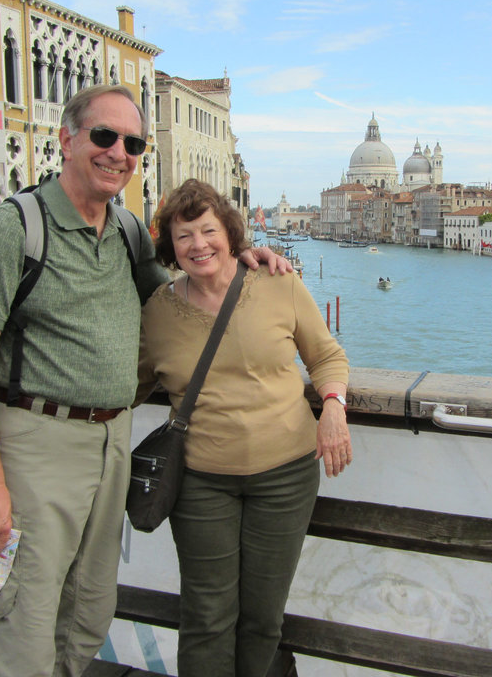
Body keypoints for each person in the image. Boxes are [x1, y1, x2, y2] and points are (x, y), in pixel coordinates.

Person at [0, 85, 289, 677]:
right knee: (22, 624)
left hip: (112, 445)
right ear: (67, 140)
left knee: (87, 613)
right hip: (34, 443)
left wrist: (243, 257)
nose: (119, 153)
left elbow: (182, 286)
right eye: (104, 136)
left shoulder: (128, 231)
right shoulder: (14, 229)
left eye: (133, 143)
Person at [136, 179, 352, 677]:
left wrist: (334, 409)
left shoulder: (280, 283)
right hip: (199, 482)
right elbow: (131, 383)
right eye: (184, 235)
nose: (198, 245)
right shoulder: (158, 311)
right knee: (206, 616)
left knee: (261, 618)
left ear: (230, 234)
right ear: (170, 246)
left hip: (285, 478)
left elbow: (326, 356)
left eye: (208, 231)